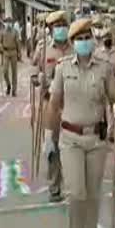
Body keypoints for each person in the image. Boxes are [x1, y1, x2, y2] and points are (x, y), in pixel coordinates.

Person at [44, 18, 115, 228]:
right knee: (76, 193)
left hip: (96, 140)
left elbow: (114, 98)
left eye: (88, 36)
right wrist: (50, 135)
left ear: (93, 39)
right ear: (73, 43)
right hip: (70, 138)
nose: (84, 41)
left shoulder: (105, 68)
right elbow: (54, 103)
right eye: (79, 38)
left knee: (93, 195)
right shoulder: (63, 68)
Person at [33, 11, 72, 203]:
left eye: (63, 25)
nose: (60, 29)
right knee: (52, 146)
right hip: (51, 104)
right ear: (50, 29)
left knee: (73, 144)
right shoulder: (43, 49)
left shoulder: (75, 49)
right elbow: (34, 70)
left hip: (73, 102)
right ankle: (54, 186)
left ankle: (72, 184)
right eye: (56, 26)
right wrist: (37, 78)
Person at [95, 28, 115, 142]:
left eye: (109, 37)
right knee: (102, 108)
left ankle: (110, 132)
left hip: (113, 83)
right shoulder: (98, 53)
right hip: (100, 83)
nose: (107, 39)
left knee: (111, 109)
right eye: (105, 37)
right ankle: (102, 128)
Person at [0, 17, 21, 96]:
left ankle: (14, 90)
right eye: (7, 22)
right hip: (5, 52)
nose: (8, 23)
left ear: (11, 23)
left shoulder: (15, 32)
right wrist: (0, 48)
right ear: (5, 23)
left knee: (14, 72)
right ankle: (8, 85)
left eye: (9, 22)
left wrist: (19, 53)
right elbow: (0, 42)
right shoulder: (2, 32)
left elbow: (18, 42)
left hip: (13, 52)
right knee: (5, 71)